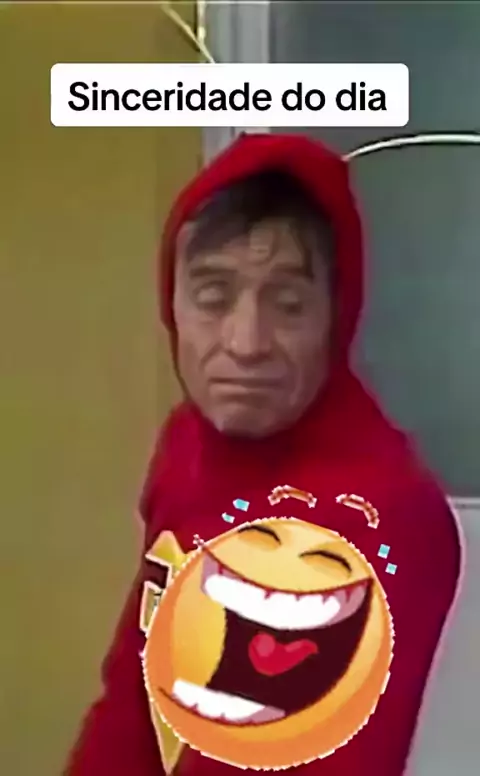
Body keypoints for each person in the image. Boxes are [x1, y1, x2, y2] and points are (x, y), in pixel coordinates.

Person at [65, 133, 462, 775]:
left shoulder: (379, 513)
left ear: (337, 318)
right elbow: (133, 699)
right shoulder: (188, 444)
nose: (246, 343)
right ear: (171, 304)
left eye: (289, 305)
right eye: (213, 297)